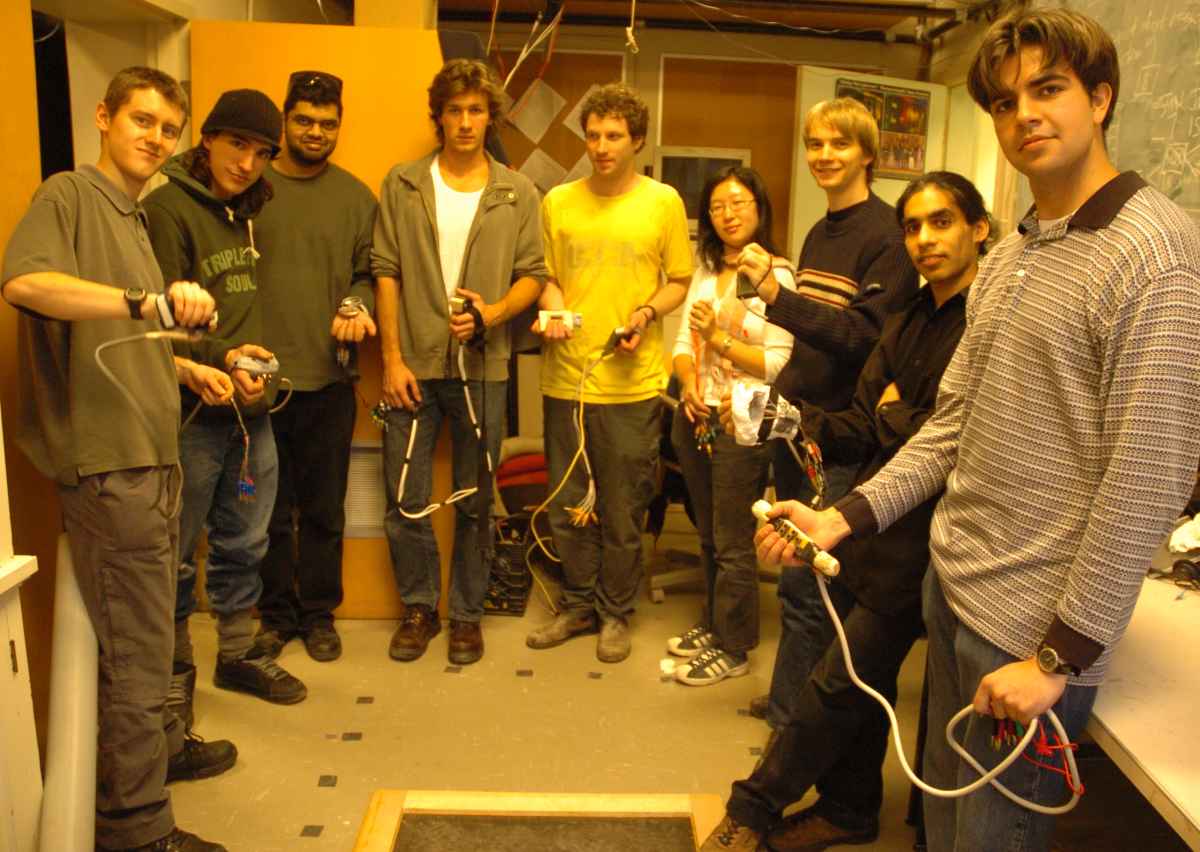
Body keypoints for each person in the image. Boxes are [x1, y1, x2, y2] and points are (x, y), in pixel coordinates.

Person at [754, 9, 1200, 852]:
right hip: (952, 590)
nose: (1024, 114)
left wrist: (1060, 658)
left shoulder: (1157, 255)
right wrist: (843, 518)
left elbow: (1150, 479)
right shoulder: (1013, 257)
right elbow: (952, 425)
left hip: (1031, 632)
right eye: (1004, 101)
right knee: (944, 828)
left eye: (1048, 89)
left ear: (1101, 98)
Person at [701, 171, 990, 851]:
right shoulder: (907, 319)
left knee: (836, 681)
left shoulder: (987, 324)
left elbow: (948, 434)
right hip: (873, 515)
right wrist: (789, 420)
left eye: (942, 222)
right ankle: (849, 809)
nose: (924, 240)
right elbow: (863, 423)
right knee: (862, 680)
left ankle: (752, 810)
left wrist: (894, 417)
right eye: (913, 227)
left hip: (939, 534)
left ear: (979, 229)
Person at [2, 66, 233, 852]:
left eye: (168, 129)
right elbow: (27, 283)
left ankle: (155, 763)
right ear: (103, 117)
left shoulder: (133, 218)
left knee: (154, 637)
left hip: (153, 457)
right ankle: (137, 832)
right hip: (111, 466)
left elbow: (118, 339)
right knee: (135, 658)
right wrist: (142, 301)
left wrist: (184, 365)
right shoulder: (70, 195)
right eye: (142, 120)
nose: (155, 138)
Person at [749, 97, 919, 726]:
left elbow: (862, 337)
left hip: (842, 439)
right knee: (796, 585)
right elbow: (814, 337)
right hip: (801, 428)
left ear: (868, 154)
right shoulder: (821, 231)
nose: (824, 155)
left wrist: (777, 297)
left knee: (813, 589)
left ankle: (794, 725)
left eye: (839, 144)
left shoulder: (889, 237)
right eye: (815, 144)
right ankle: (789, 700)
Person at [372, 59, 546, 665]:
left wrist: (492, 313)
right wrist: (391, 359)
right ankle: (420, 608)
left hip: (484, 370)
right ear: (439, 117)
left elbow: (533, 275)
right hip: (412, 368)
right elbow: (385, 271)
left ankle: (467, 614)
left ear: (489, 118)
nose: (466, 122)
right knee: (405, 497)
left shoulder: (516, 191)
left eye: (476, 110)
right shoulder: (404, 183)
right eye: (455, 110)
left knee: (476, 498)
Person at [144, 88, 307, 723]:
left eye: (262, 152)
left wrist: (254, 365)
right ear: (207, 138)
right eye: (237, 144)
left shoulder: (245, 212)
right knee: (177, 550)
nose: (247, 163)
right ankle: (175, 671)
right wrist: (221, 358)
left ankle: (236, 652)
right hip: (190, 414)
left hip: (248, 409)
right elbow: (161, 320)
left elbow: (236, 310)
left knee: (246, 540)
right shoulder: (166, 210)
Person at [524, 82, 694, 663]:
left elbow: (678, 280)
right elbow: (546, 275)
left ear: (636, 140)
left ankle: (616, 612)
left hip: (632, 382)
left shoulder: (663, 202)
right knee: (569, 502)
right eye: (593, 135)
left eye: (614, 136)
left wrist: (645, 314)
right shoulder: (558, 202)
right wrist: (552, 308)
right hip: (566, 378)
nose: (601, 146)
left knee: (622, 506)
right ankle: (577, 605)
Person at [253, 70, 378, 663]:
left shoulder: (356, 198)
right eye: (304, 120)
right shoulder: (249, 188)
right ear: (285, 120)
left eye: (327, 124)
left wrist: (358, 303)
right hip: (257, 382)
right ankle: (275, 617)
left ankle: (319, 615)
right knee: (268, 513)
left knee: (326, 510)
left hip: (329, 381)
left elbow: (368, 274)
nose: (315, 132)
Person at [665, 166, 795, 686]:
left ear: (759, 208)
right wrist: (687, 385)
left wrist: (718, 340)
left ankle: (735, 647)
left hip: (742, 422)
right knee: (708, 533)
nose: (728, 214)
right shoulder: (707, 272)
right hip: (697, 417)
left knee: (733, 538)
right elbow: (682, 342)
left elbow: (778, 363)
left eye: (738, 203)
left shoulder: (776, 277)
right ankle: (716, 622)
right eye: (717, 206)